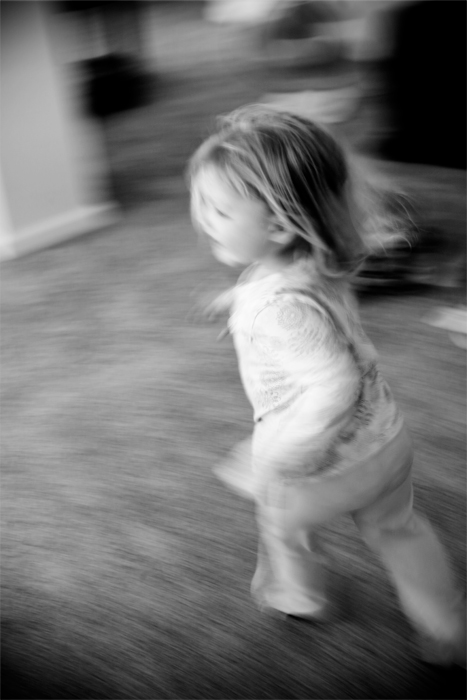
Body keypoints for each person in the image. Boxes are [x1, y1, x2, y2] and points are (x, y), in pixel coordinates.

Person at [188, 106, 465, 666]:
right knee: (399, 529)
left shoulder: (275, 308)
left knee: (283, 528)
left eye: (217, 209)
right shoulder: (320, 262)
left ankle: (298, 595)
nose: (201, 218)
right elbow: (298, 306)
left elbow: (333, 385)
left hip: (317, 468)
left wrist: (282, 456)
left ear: (278, 226)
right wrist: (237, 299)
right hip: (385, 441)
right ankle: (447, 626)